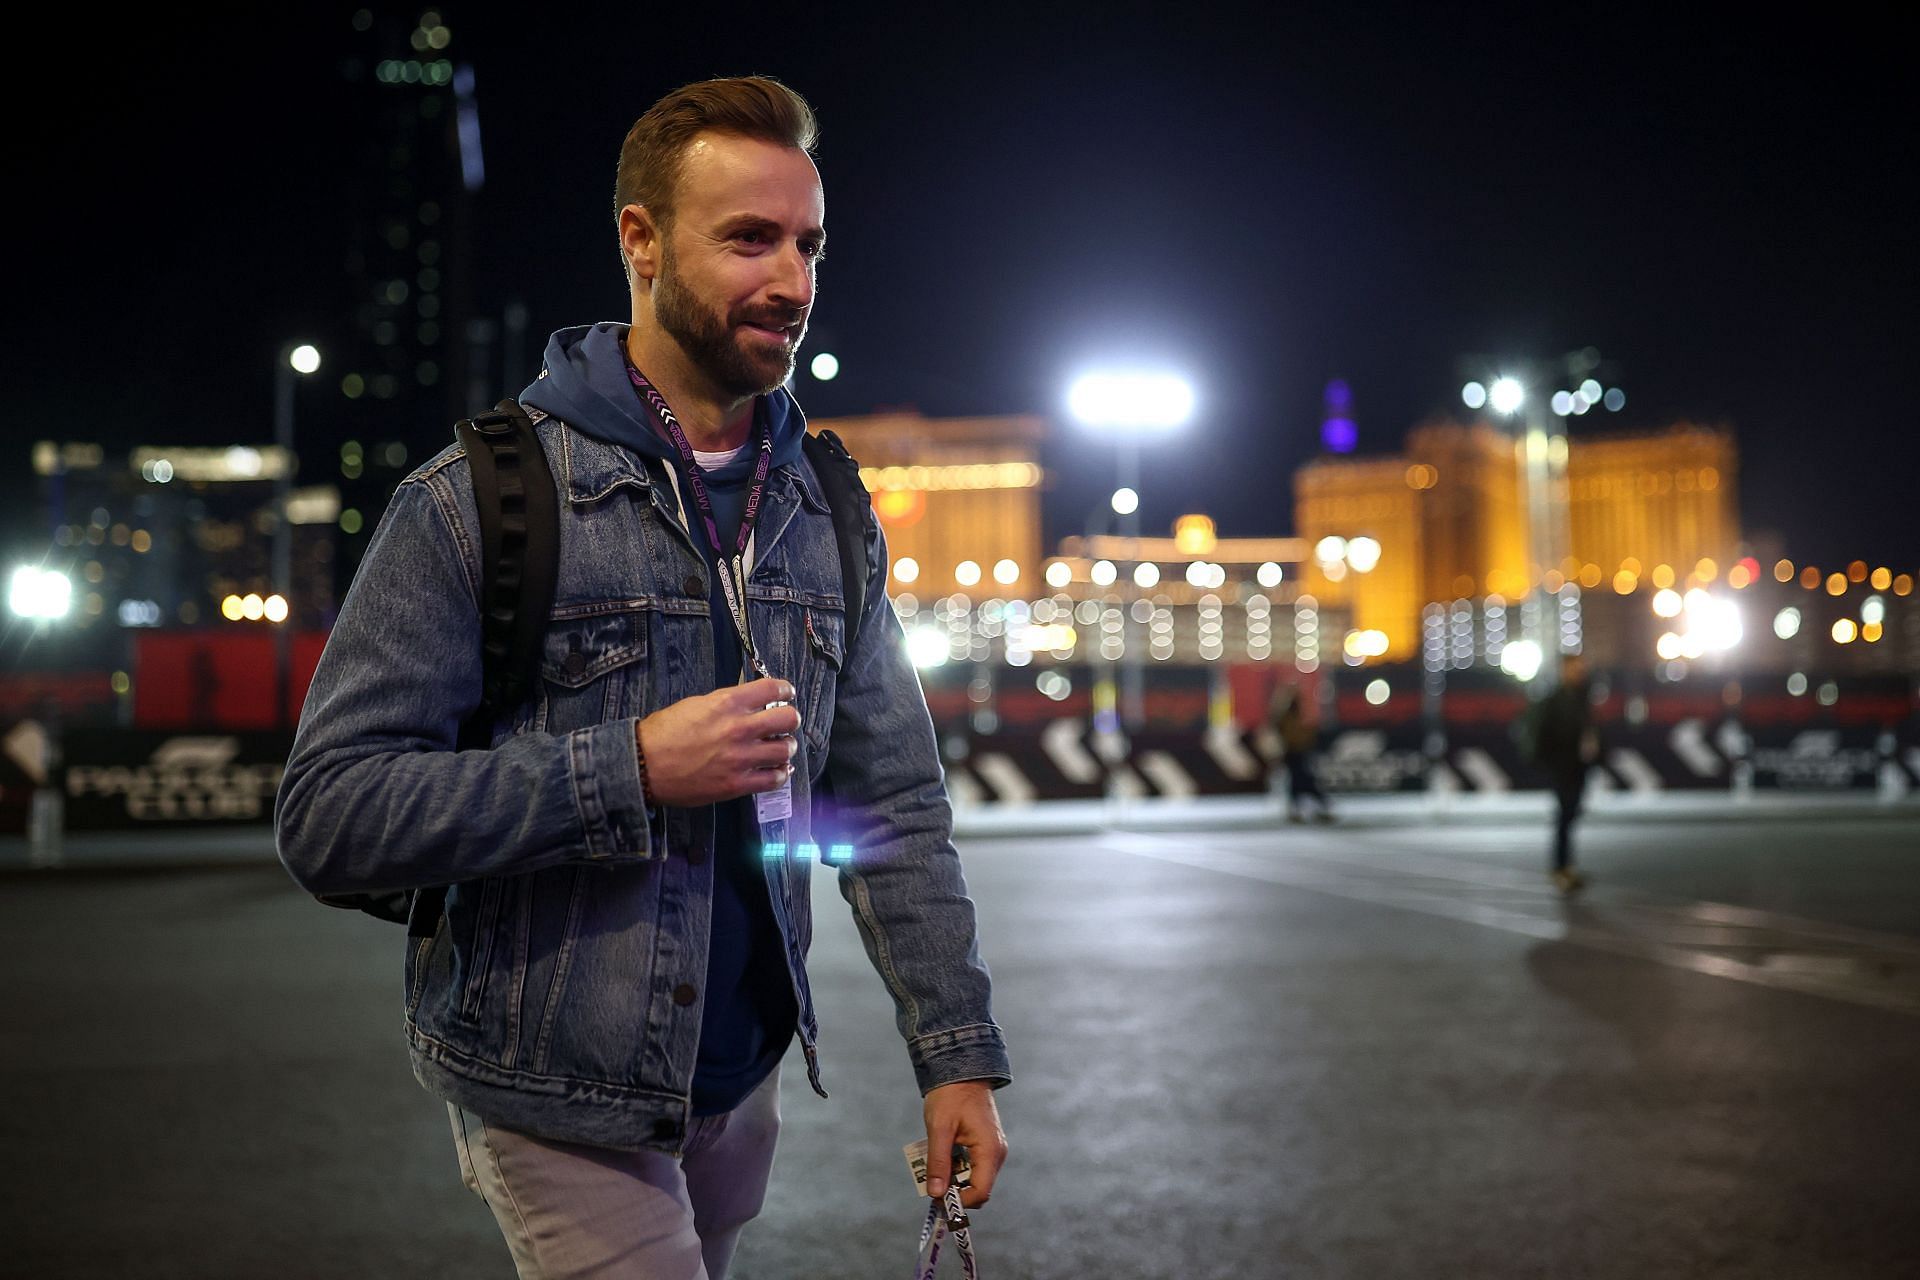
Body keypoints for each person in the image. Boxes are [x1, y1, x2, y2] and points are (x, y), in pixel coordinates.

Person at [275, 76, 1010, 1280]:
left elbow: (892, 807)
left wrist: (956, 1053)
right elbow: (329, 815)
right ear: (640, 240)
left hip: (740, 1076)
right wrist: (628, 767)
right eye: (749, 239)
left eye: (809, 243)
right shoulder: (476, 501)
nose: (792, 279)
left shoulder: (825, 503)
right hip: (552, 1084)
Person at [1531, 653, 1601, 894]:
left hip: (1579, 766)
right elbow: (1544, 735)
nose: (1578, 673)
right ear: (1563, 671)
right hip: (1563, 767)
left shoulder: (1582, 697)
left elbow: (1591, 731)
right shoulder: (1555, 700)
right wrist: (1551, 763)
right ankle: (1560, 866)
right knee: (1564, 815)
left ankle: (1566, 866)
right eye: (1573, 669)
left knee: (1571, 814)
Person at [1272, 685, 1333, 822]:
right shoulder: (1286, 717)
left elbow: (1305, 735)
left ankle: (1313, 809)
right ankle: (1303, 810)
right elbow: (1283, 734)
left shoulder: (1296, 717)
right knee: (1300, 782)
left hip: (1299, 753)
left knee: (1303, 782)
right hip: (1293, 753)